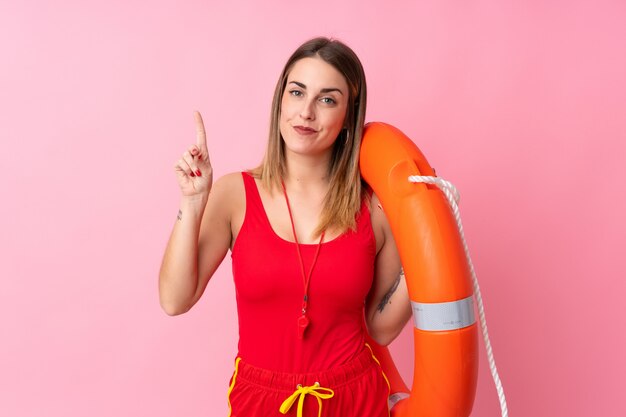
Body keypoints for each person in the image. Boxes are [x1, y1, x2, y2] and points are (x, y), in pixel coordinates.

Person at [159, 37, 412, 417]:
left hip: (355, 398)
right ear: (280, 100)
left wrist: (432, 252)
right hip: (261, 400)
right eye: (297, 92)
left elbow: (380, 328)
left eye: (327, 99)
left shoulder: (373, 205)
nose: (305, 112)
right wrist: (192, 203)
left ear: (348, 114)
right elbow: (175, 300)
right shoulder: (234, 194)